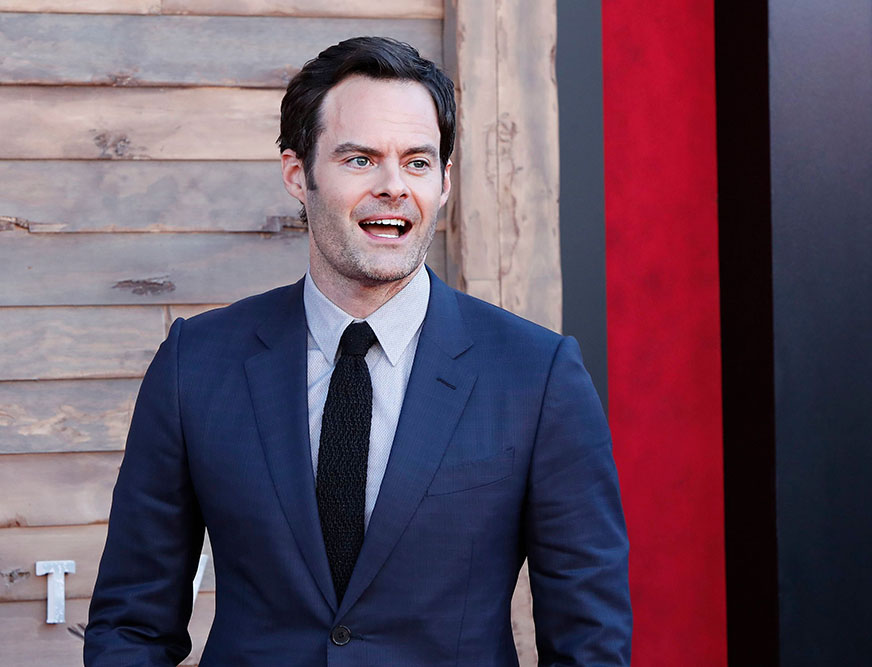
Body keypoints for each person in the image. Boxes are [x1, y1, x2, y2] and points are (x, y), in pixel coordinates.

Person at [85, 36, 631, 666]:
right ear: (298, 173)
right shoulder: (195, 364)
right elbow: (131, 624)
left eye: (418, 162)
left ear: (446, 181)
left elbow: (589, 641)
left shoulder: (538, 377)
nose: (394, 186)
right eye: (360, 159)